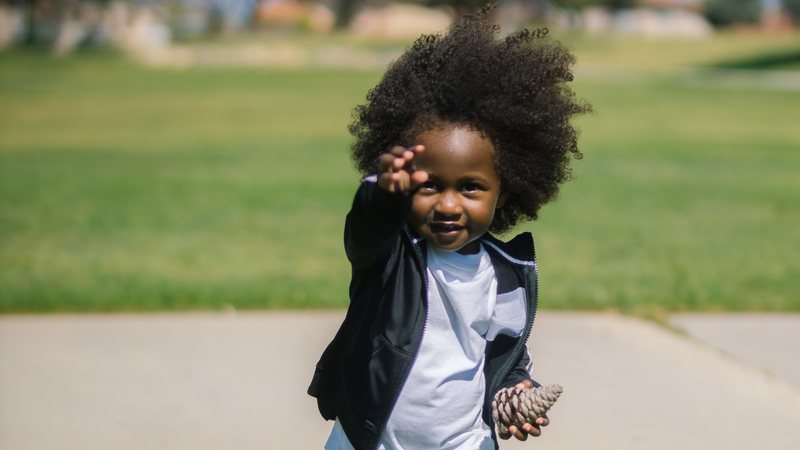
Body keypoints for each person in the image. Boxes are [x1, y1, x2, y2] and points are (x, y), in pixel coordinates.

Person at [308, 5, 590, 449]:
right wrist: (382, 196)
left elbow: (504, 354)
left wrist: (518, 390)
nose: (448, 205)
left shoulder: (505, 272)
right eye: (430, 185)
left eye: (471, 188)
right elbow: (365, 232)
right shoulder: (390, 257)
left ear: (506, 190)